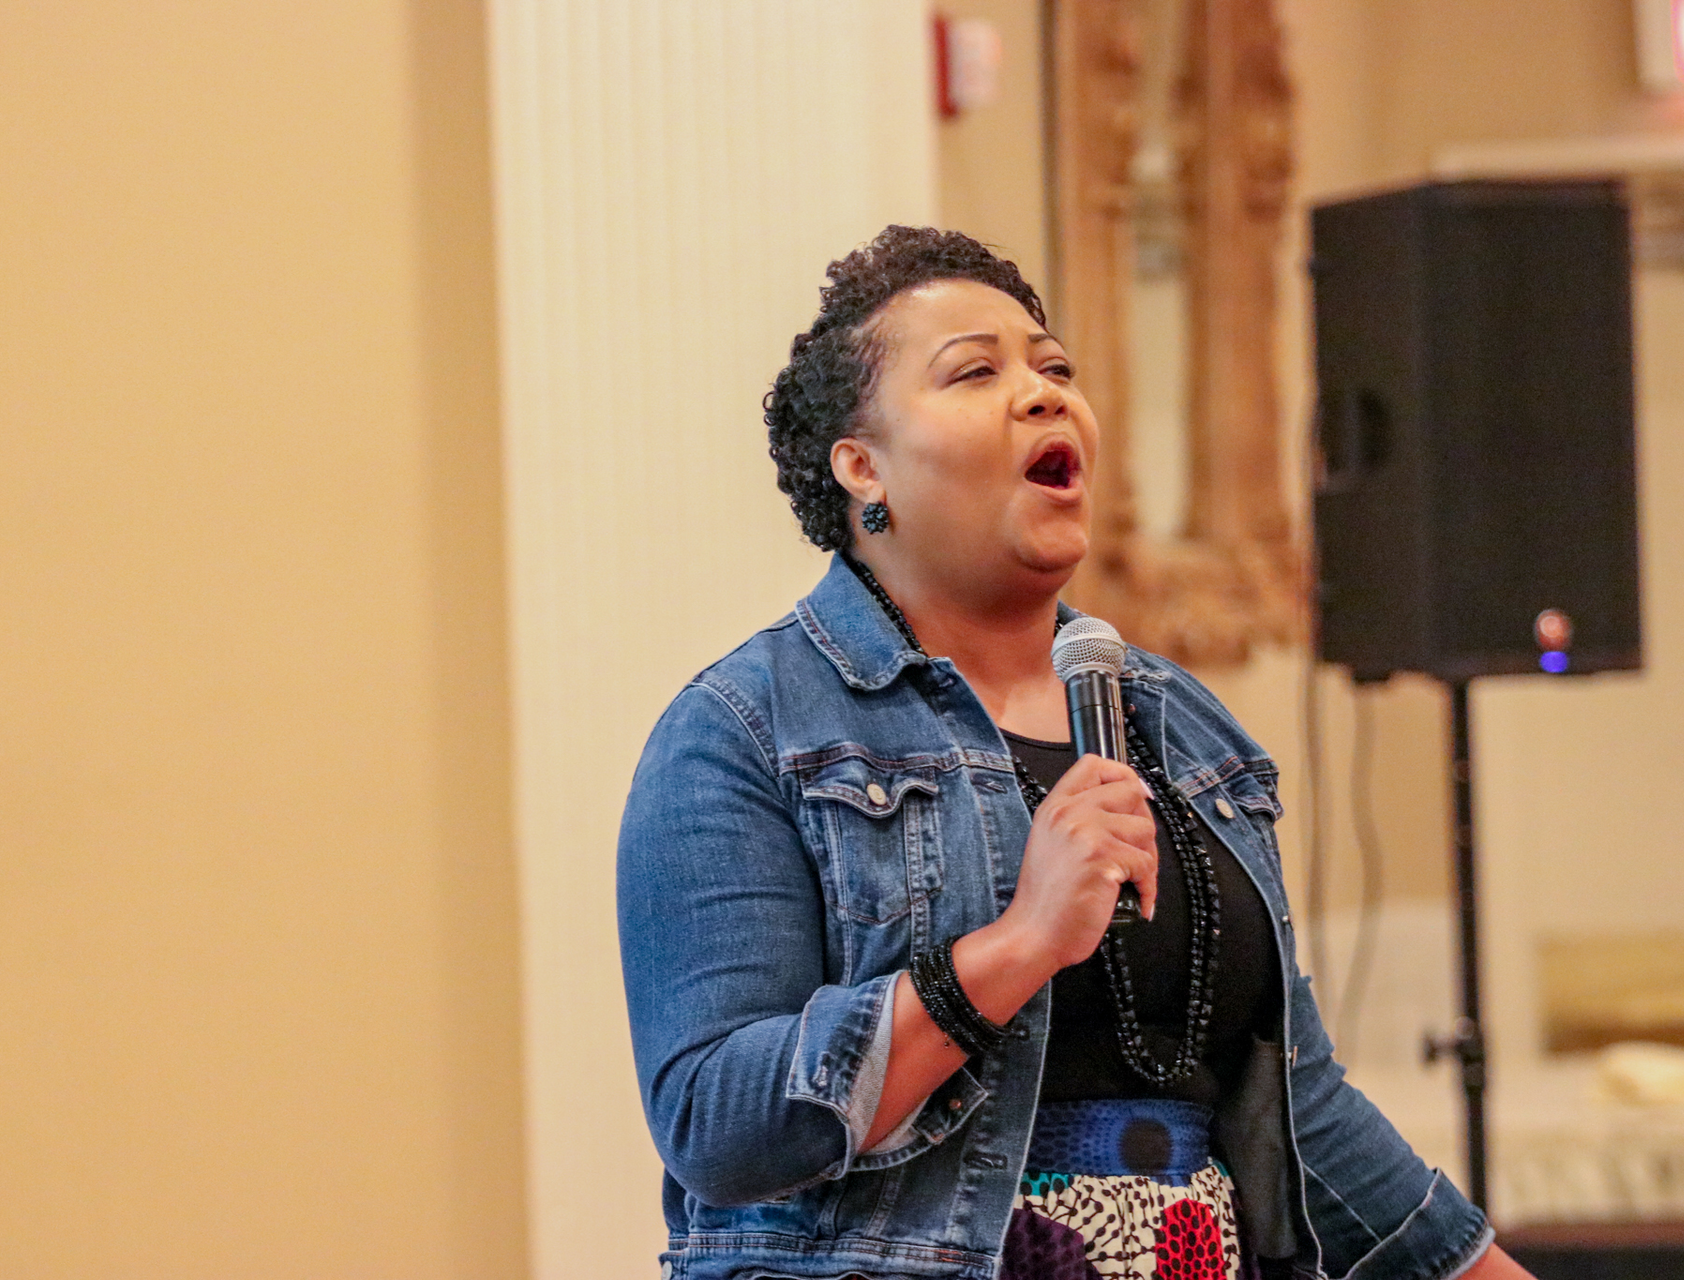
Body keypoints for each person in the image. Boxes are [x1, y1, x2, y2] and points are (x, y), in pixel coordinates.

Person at [618, 226, 1531, 1280]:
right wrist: (1018, 945)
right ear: (863, 466)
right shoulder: (743, 730)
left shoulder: (1180, 723)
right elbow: (718, 1123)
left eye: (1056, 369)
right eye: (974, 371)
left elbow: (1300, 1113)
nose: (1046, 395)